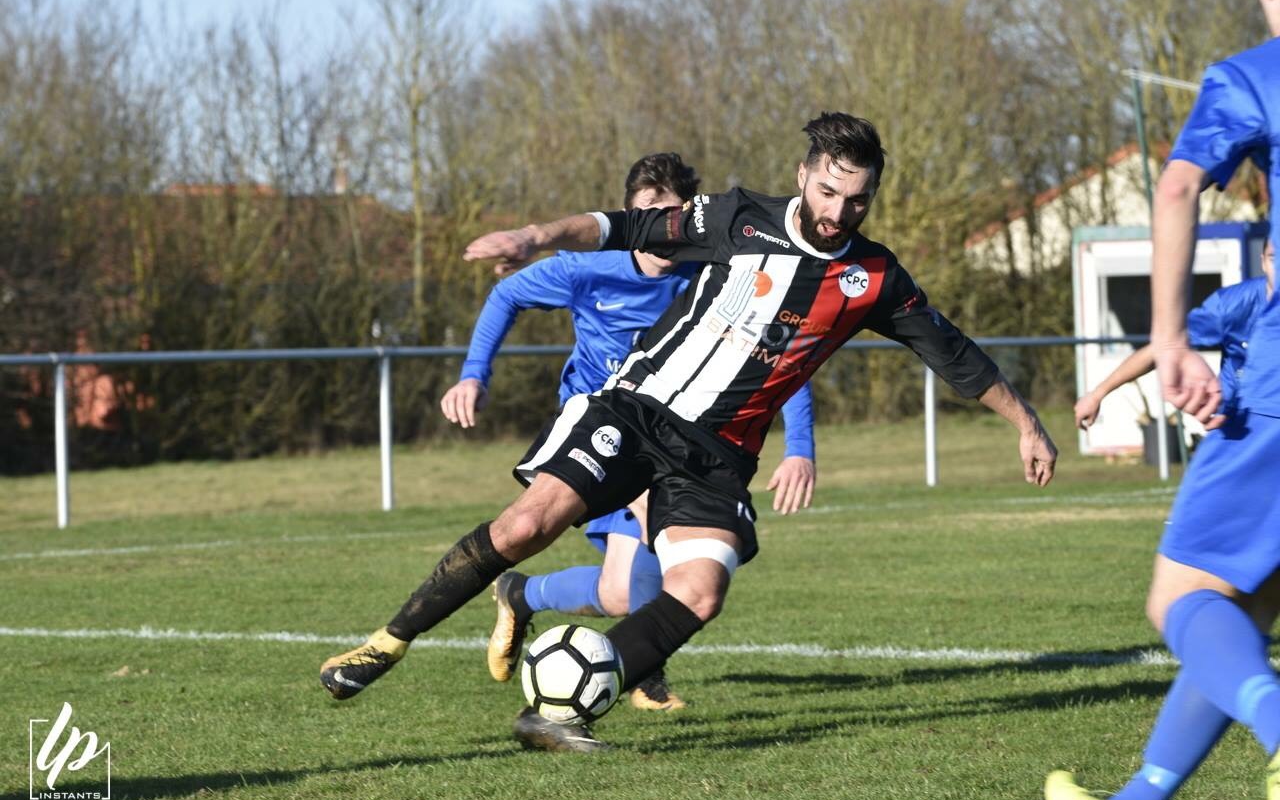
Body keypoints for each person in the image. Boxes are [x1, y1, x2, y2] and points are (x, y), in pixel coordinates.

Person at [321, 111, 1057, 753]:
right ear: (804, 176)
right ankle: (388, 641)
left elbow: (954, 354)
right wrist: (537, 233)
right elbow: (624, 226)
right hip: (639, 410)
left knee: (700, 590)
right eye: (828, 191)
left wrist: (1024, 421)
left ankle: (556, 712)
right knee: (526, 524)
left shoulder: (873, 278)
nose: (839, 210)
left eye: (857, 198)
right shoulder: (735, 218)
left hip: (717, 457)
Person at [437, 152, 818, 712]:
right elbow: (507, 294)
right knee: (661, 547)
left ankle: (521, 593)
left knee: (620, 590)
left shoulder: (716, 271)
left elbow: (777, 354)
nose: (662, 230)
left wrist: (800, 447)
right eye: (648, 214)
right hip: (599, 430)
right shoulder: (585, 266)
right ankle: (645, 680)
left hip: (672, 434)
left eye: (674, 216)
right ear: (630, 216)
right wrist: (473, 376)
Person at [1044, 0, 1280, 800]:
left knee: (1178, 599)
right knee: (1240, 612)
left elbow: (1178, 189)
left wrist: (1170, 334)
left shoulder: (1255, 74)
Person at [1074, 240, 1274, 431]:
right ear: (1262, 262)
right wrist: (1097, 394)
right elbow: (1161, 349)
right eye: (1274, 258)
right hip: (1241, 422)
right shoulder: (1230, 305)